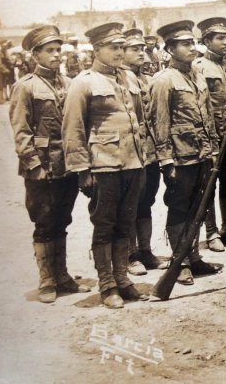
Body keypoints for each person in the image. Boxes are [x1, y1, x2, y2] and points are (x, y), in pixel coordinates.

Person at [62, 22, 149, 308]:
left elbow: (138, 121)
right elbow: (73, 129)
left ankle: (123, 278)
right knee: (104, 226)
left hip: (133, 162)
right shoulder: (83, 82)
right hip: (103, 166)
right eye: (114, 47)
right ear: (97, 49)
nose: (120, 52)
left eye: (123, 47)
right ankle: (107, 284)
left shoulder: (129, 79)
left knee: (126, 223)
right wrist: (82, 170)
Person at [10, 25, 90, 303]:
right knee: (44, 222)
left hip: (66, 164)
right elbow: (21, 131)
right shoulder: (25, 86)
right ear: (35, 55)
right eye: (50, 51)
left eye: (59, 50)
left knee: (62, 220)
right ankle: (46, 280)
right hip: (42, 166)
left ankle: (63, 275)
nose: (57, 56)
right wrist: (34, 165)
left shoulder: (70, 84)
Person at [148, 20, 223, 282]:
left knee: (198, 205)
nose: (192, 48)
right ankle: (179, 263)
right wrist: (166, 160)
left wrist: (213, 149)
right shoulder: (163, 80)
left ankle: (194, 258)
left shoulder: (197, 75)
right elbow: (159, 122)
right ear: (169, 49)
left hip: (202, 152)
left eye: (193, 42)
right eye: (185, 44)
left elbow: (209, 116)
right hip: (180, 156)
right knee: (179, 207)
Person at [121, 28, 168, 275]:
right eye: (134, 49)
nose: (141, 52)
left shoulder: (148, 79)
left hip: (149, 152)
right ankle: (130, 255)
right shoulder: (119, 79)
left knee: (147, 201)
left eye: (142, 48)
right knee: (129, 203)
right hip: (129, 153)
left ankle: (146, 251)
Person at [193, 17, 226, 251]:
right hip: (211, 136)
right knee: (209, 185)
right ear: (206, 41)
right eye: (220, 38)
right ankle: (212, 234)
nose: (225, 42)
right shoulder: (199, 67)